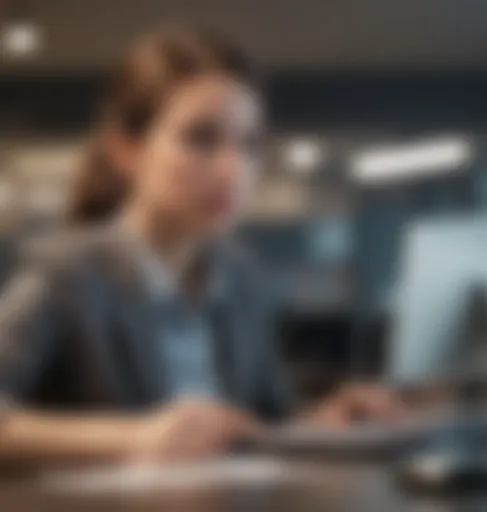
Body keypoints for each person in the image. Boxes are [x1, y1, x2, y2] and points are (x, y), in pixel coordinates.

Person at [0, 26, 398, 470]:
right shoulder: (67, 273)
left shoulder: (242, 277)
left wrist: (324, 424)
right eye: (202, 139)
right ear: (126, 151)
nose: (233, 170)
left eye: (248, 144)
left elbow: (264, 424)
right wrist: (132, 438)